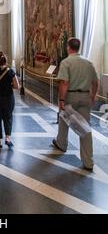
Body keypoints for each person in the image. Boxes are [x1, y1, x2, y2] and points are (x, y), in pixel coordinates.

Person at [52, 38, 99, 171]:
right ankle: (88, 161)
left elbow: (64, 82)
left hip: (70, 96)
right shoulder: (88, 62)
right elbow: (95, 82)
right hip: (85, 96)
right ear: (79, 47)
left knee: (63, 120)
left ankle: (62, 144)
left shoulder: (66, 62)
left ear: (68, 47)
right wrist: (93, 95)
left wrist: (61, 100)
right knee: (85, 128)